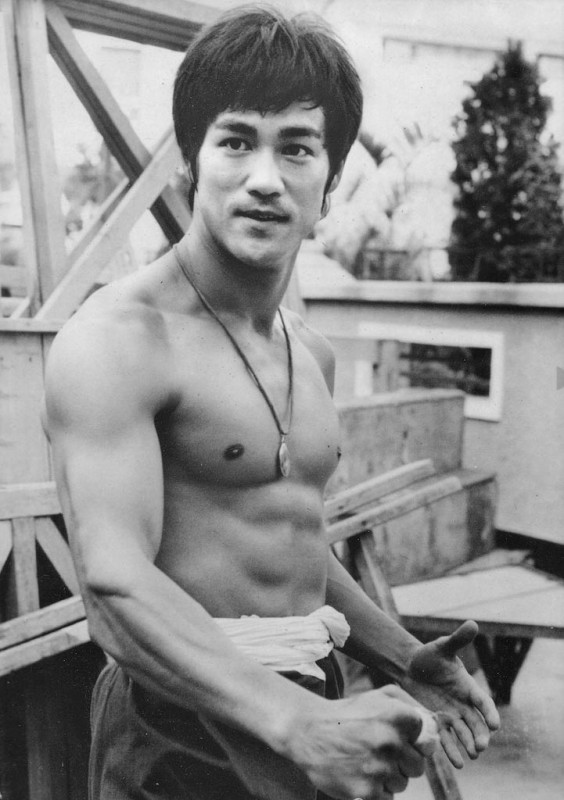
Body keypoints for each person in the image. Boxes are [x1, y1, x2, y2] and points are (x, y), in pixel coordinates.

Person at [43, 6, 500, 800]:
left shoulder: (309, 353)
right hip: (178, 718)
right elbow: (114, 589)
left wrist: (399, 654)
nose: (264, 177)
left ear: (330, 177)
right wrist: (295, 721)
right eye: (235, 141)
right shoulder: (119, 339)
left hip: (308, 691)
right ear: (192, 160)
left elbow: (287, 541)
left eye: (296, 147)